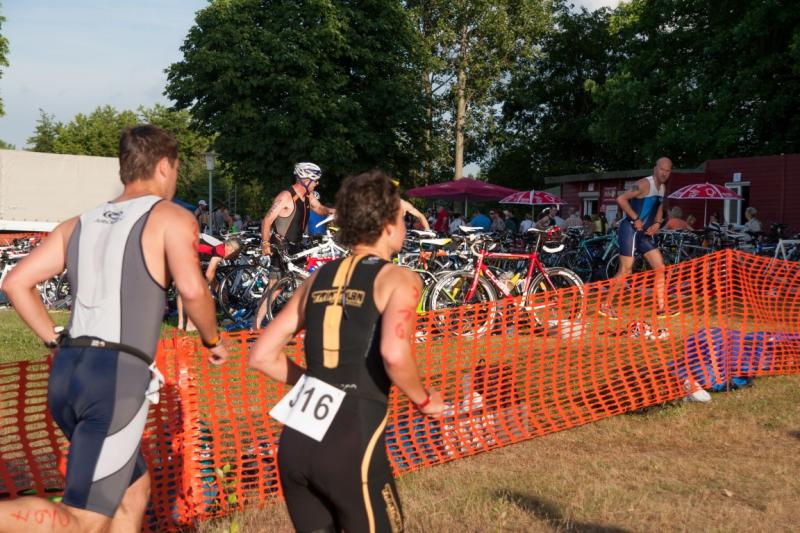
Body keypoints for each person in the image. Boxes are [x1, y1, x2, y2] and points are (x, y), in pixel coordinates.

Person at [0, 125, 229, 533]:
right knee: (83, 520)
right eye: (176, 170)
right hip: (116, 379)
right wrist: (213, 339)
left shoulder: (77, 223)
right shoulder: (171, 217)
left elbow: (16, 283)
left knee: (133, 492)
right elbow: (193, 290)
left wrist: (54, 339)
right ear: (164, 166)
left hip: (68, 373)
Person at [248, 170, 445, 532]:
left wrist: (316, 381)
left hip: (296, 442)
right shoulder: (400, 278)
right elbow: (395, 354)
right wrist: (424, 400)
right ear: (388, 225)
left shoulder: (315, 279)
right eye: (403, 218)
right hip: (351, 441)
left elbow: (262, 355)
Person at [255, 162, 335, 329]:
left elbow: (320, 209)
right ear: (306, 180)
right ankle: (255, 326)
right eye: (315, 181)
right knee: (274, 287)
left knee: (304, 280)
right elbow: (267, 220)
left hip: (296, 246)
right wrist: (265, 244)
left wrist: (336, 211)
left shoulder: (308, 196)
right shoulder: (286, 196)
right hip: (281, 245)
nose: (317, 184)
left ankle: (302, 320)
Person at [601, 157, 677, 319]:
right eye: (662, 169)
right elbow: (621, 199)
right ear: (655, 168)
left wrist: (657, 223)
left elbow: (659, 206)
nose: (664, 173)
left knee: (660, 267)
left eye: (668, 170)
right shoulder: (643, 184)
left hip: (644, 233)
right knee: (626, 269)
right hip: (629, 229)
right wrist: (635, 218)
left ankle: (662, 308)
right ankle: (605, 305)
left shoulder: (662, 188)